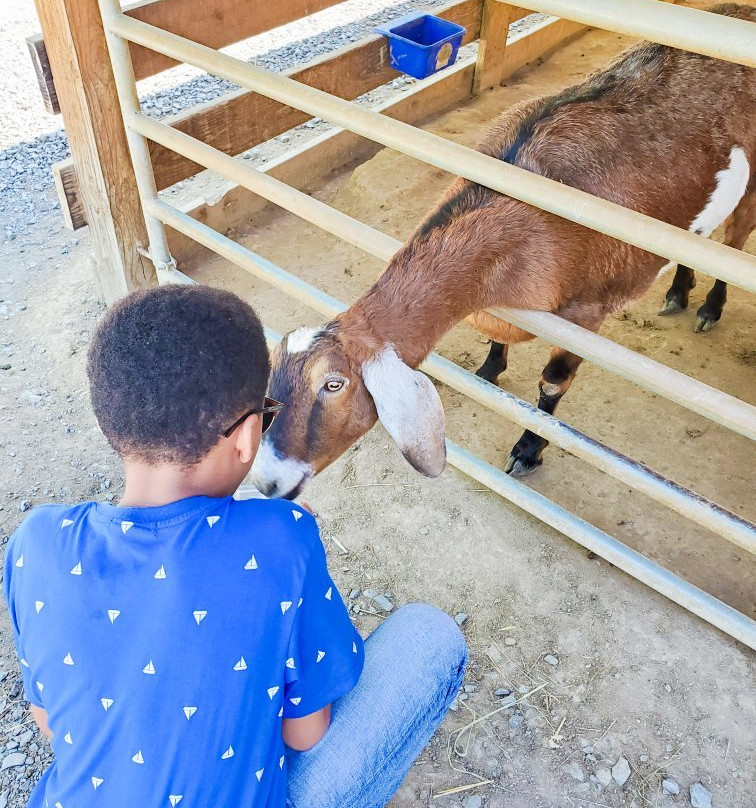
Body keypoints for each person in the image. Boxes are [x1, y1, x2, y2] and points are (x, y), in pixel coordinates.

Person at [4, 285, 467, 808]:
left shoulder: (33, 544)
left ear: (108, 423)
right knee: (430, 636)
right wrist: (288, 546)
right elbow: (306, 734)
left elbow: (49, 723)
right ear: (249, 436)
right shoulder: (282, 539)